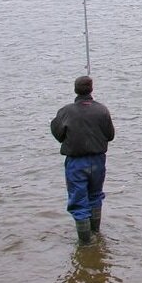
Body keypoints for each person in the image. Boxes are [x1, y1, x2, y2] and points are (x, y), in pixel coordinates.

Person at [51, 76, 115, 245]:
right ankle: (95, 233)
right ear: (91, 90)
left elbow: (58, 134)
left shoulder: (66, 111)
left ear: (75, 90)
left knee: (79, 202)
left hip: (76, 163)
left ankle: (86, 245)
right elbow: (110, 135)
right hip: (98, 161)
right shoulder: (102, 110)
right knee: (95, 196)